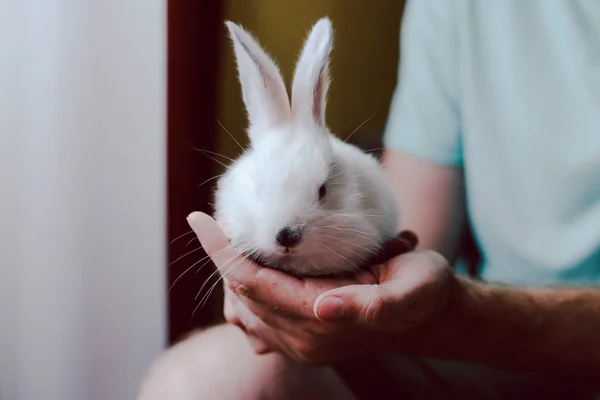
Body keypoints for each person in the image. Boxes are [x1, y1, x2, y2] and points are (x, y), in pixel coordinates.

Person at [138, 1, 600, 398]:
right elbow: (412, 231)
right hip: (487, 337)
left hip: (524, 331)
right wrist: (362, 297)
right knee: (199, 383)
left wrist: (462, 318)